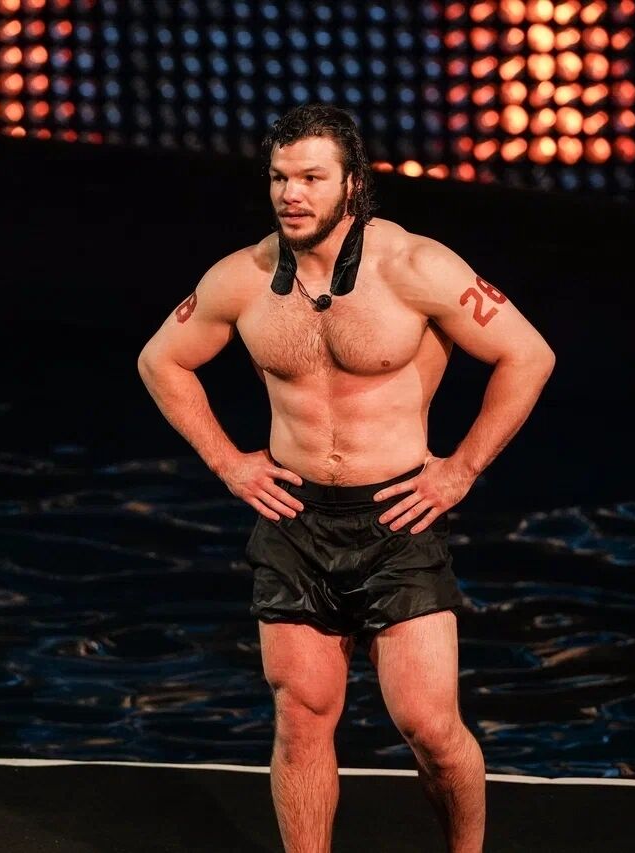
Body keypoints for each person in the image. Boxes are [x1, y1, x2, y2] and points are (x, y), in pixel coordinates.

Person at [137, 104, 555, 853]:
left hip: (397, 518)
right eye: (279, 178)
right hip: (294, 520)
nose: (290, 194)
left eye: (310, 178)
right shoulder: (242, 276)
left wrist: (460, 470)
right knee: (301, 719)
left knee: (429, 727)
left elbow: (528, 356)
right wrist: (228, 461)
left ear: (353, 184)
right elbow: (160, 360)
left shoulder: (417, 266)